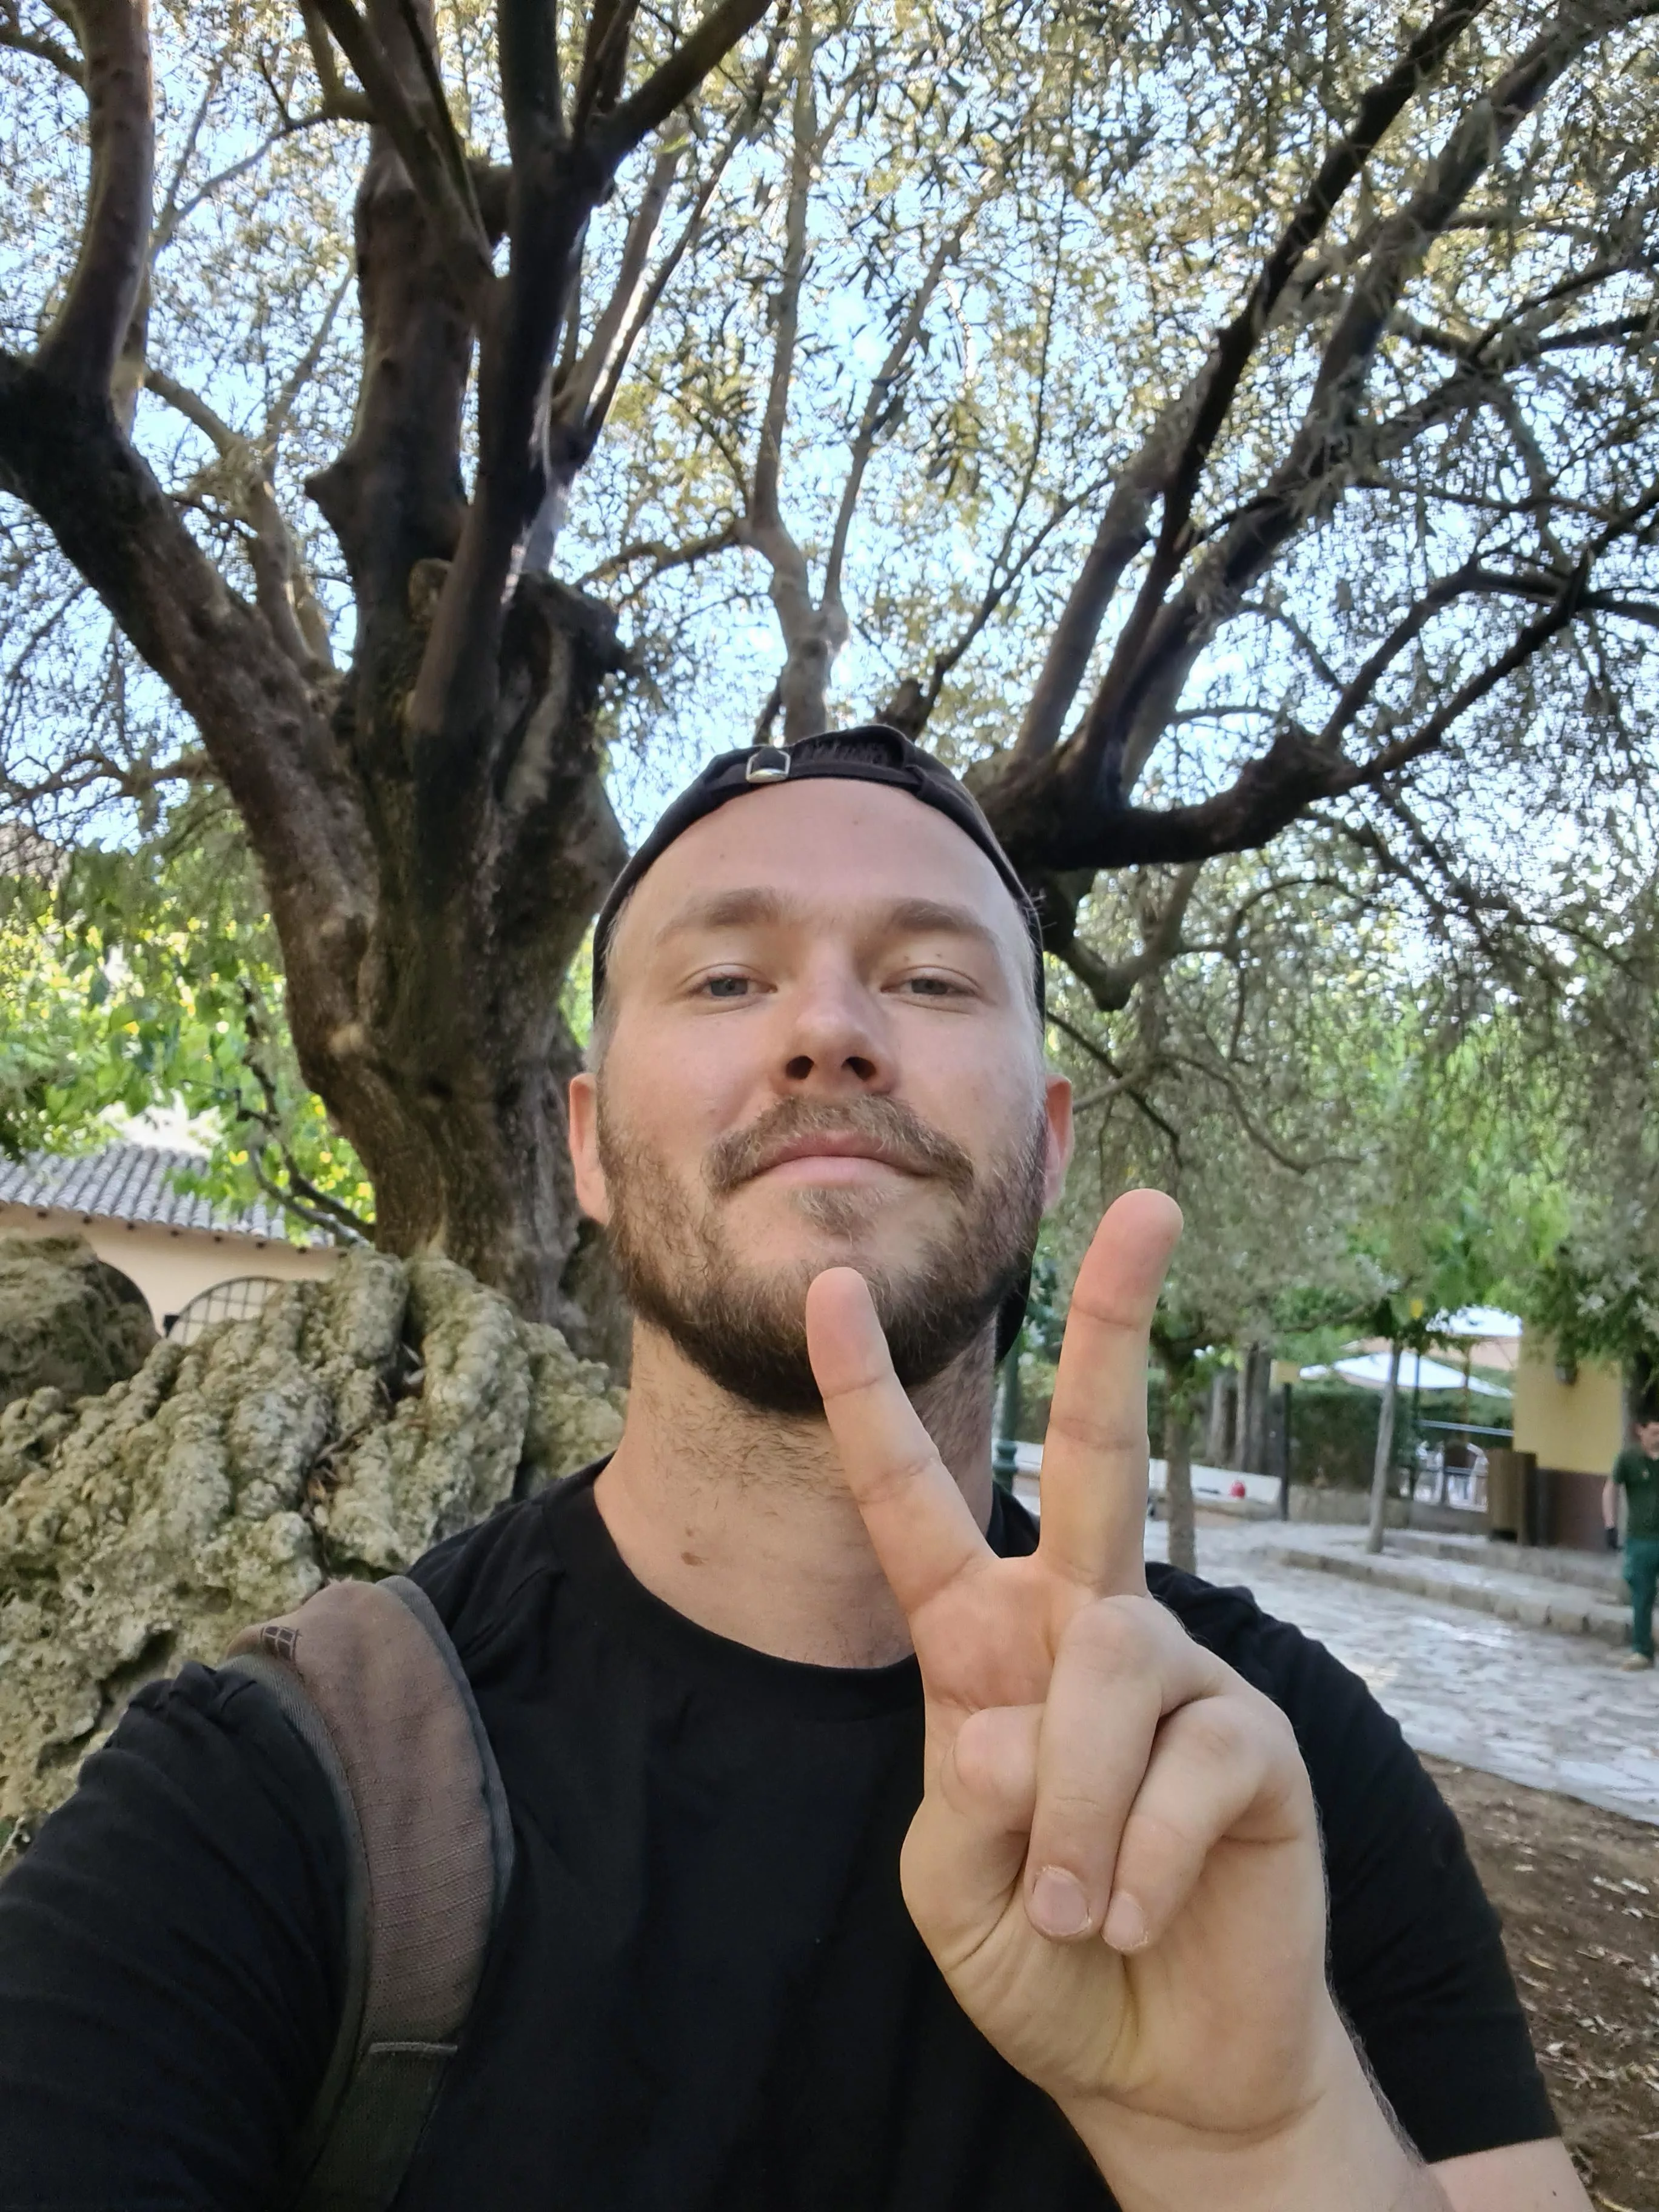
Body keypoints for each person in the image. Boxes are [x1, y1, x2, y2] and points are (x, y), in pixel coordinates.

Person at [0, 728, 1585, 2212]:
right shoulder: (277, 1801)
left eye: (932, 978)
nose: (830, 1031)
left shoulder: (1269, 1773)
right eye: (729, 976)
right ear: (589, 1149)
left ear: (1048, 1147)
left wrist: (1276, 2148)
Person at [1603, 1412, 1659, 1671]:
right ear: (1641, 1431)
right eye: (1655, 1433)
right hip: (1641, 1539)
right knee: (1642, 1596)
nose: (1658, 1439)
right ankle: (1642, 1651)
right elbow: (1611, 1487)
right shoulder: (1629, 1459)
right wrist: (1610, 1525)